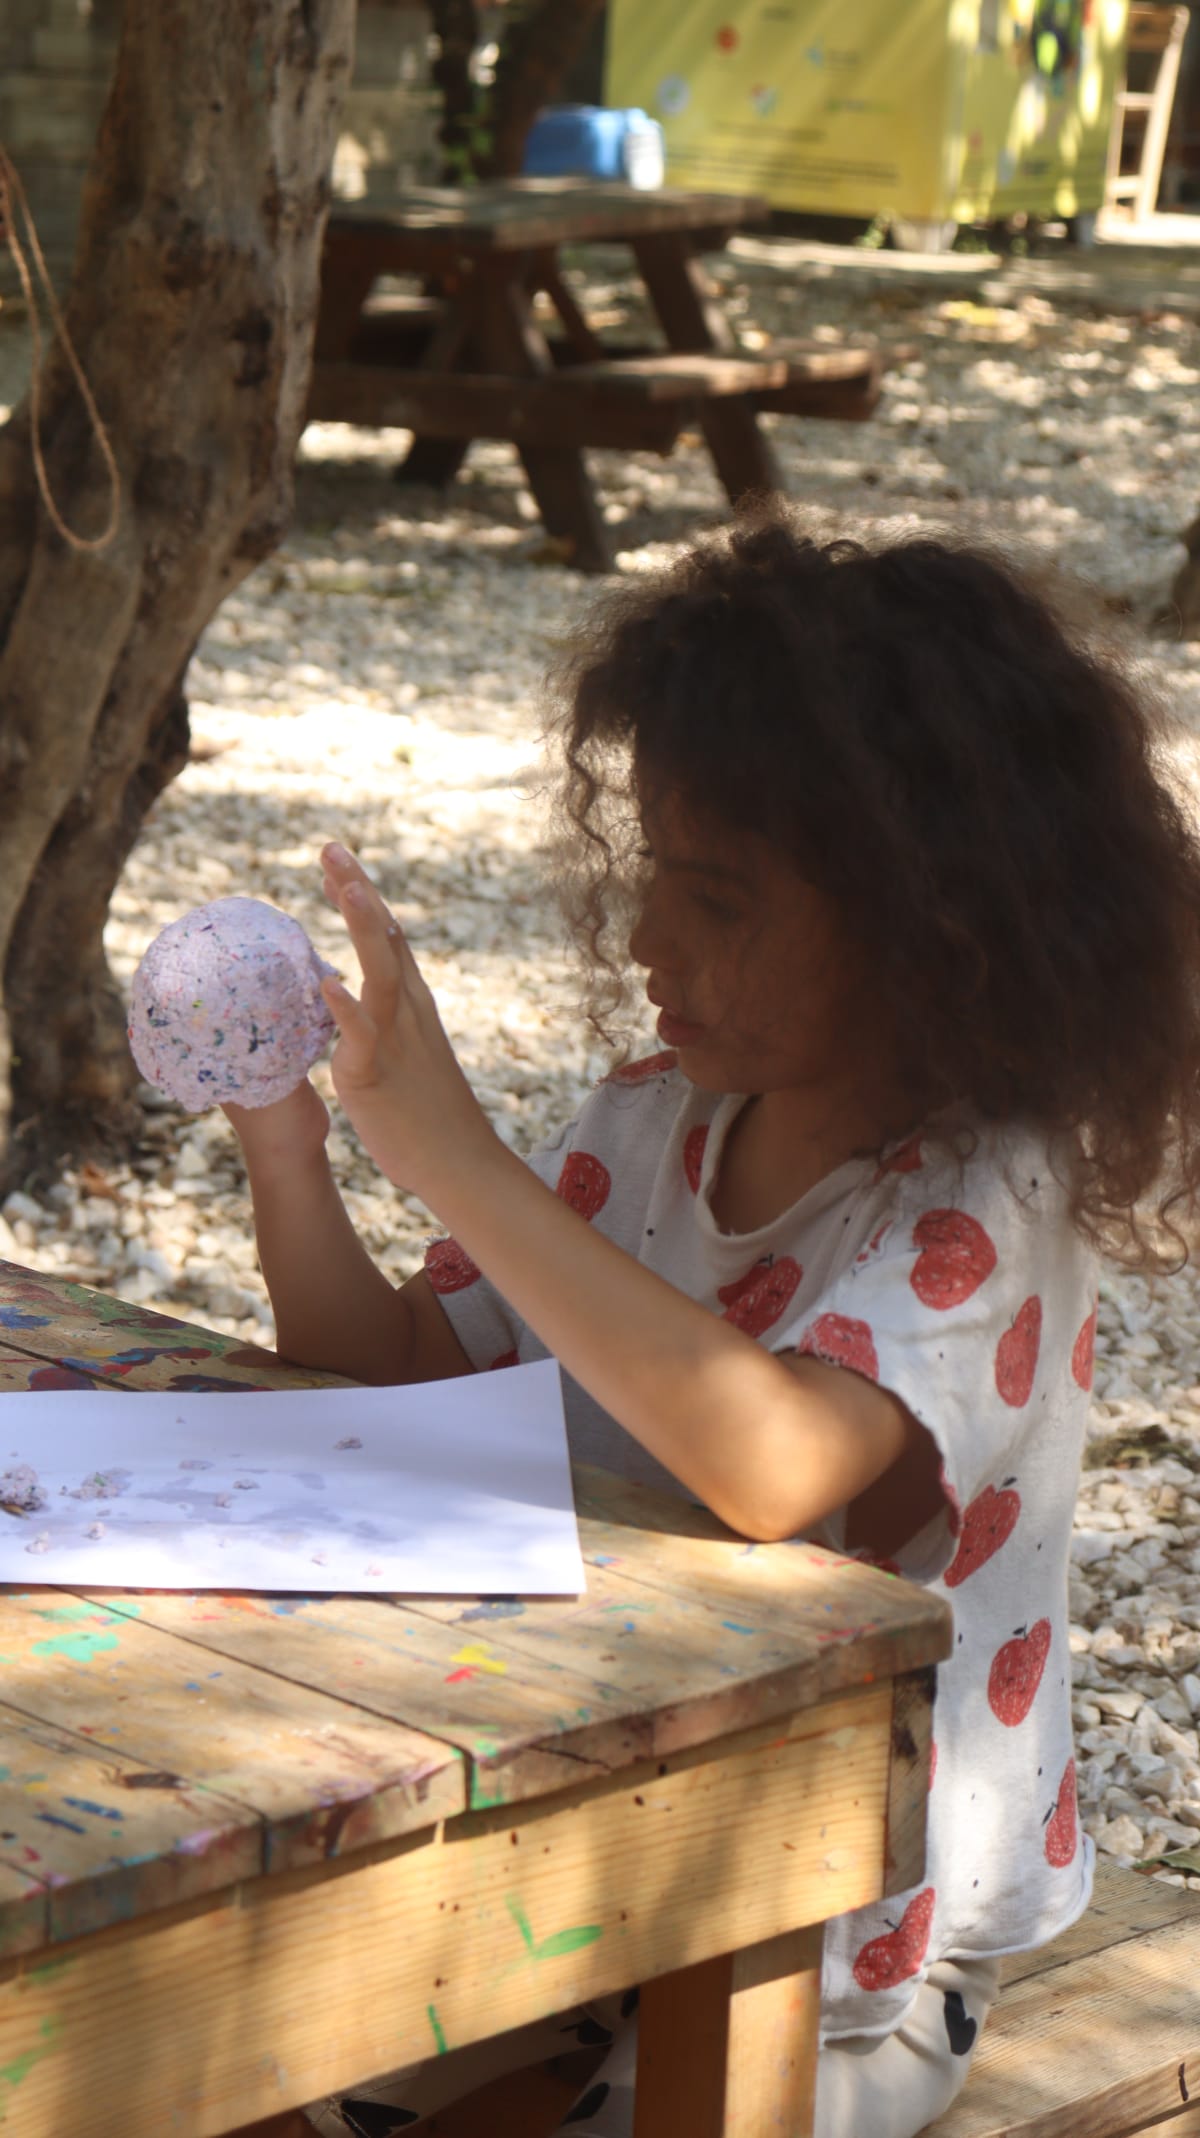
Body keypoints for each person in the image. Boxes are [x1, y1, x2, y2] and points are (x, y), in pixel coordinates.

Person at [225, 510, 1200, 2138]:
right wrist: (289, 1148)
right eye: (653, 875)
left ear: (932, 929)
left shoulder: (983, 1197)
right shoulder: (650, 1118)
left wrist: (459, 1159)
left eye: (718, 897)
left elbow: (779, 1464)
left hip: (836, 1940)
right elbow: (390, 1370)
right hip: (589, 1848)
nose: (644, 940)